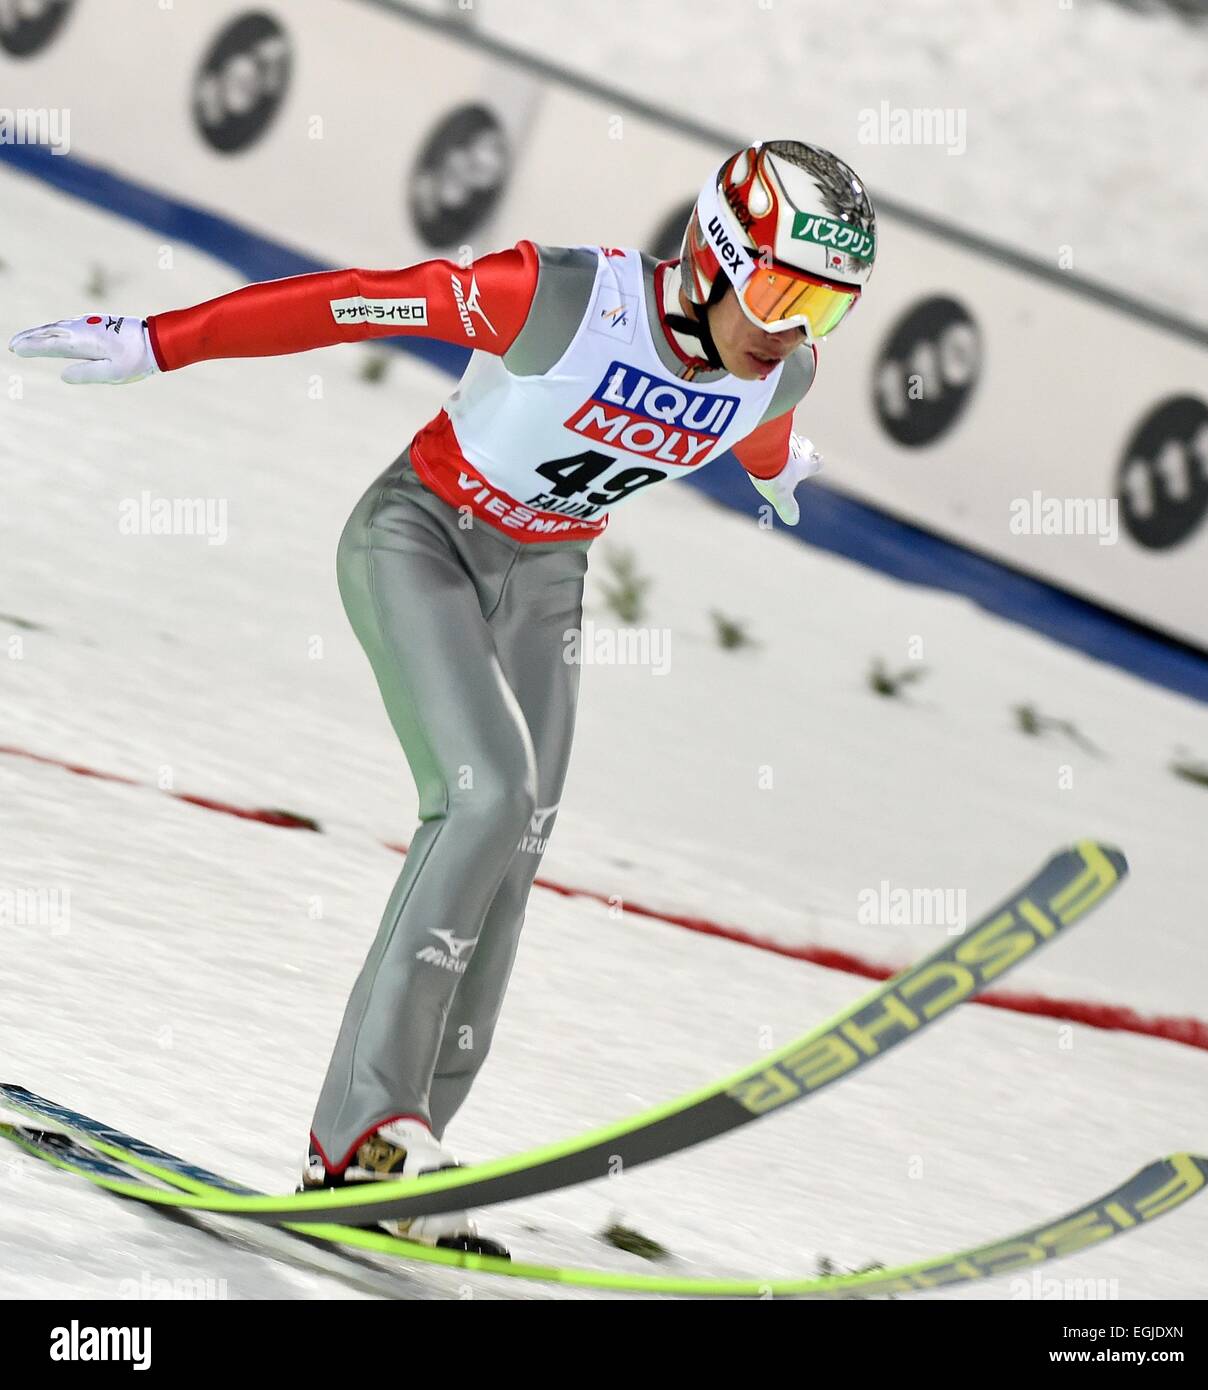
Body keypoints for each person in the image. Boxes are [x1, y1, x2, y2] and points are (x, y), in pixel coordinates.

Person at [9, 138, 877, 1254]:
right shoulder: (559, 299)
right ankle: (356, 1141)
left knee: (517, 844)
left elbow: (758, 420)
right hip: (419, 537)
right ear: (712, 254)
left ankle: (405, 1159)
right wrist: (160, 343)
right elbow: (349, 305)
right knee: (484, 798)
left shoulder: (778, 368)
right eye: (781, 289)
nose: (795, 326)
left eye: (830, 308)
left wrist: (776, 466)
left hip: (545, 578)